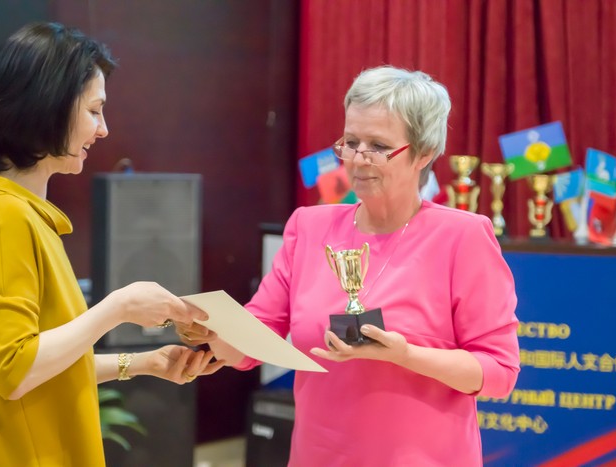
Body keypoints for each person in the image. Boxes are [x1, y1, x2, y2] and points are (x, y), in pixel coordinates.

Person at [179, 65, 520, 466]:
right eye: (351, 142)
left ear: (424, 153)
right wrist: (212, 332)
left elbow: (499, 372)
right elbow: (258, 333)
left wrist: (405, 354)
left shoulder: (462, 236)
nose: (358, 159)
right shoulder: (309, 227)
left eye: (378, 146)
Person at [0, 22, 223, 466]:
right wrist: (119, 307)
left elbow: (42, 365)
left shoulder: (14, 214)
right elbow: (15, 369)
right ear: (47, 108)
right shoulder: (2, 215)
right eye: (94, 111)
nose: (104, 129)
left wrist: (144, 363)